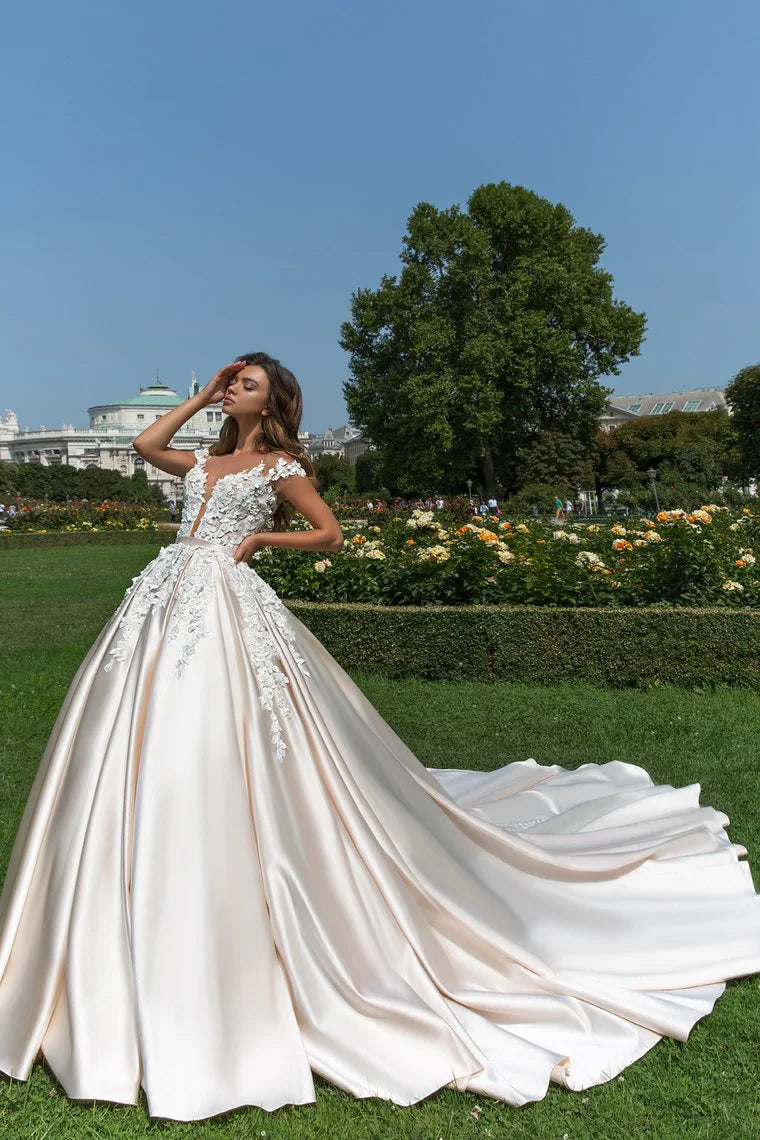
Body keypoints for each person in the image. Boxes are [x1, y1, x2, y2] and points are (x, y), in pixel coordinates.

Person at [1, 351, 759, 1125]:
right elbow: (142, 447)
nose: (233, 389)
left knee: (231, 740)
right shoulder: (202, 455)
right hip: (160, 603)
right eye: (229, 382)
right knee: (136, 736)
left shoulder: (279, 467)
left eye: (246, 384)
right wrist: (198, 396)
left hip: (226, 605)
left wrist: (261, 544)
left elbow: (328, 534)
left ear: (275, 404)